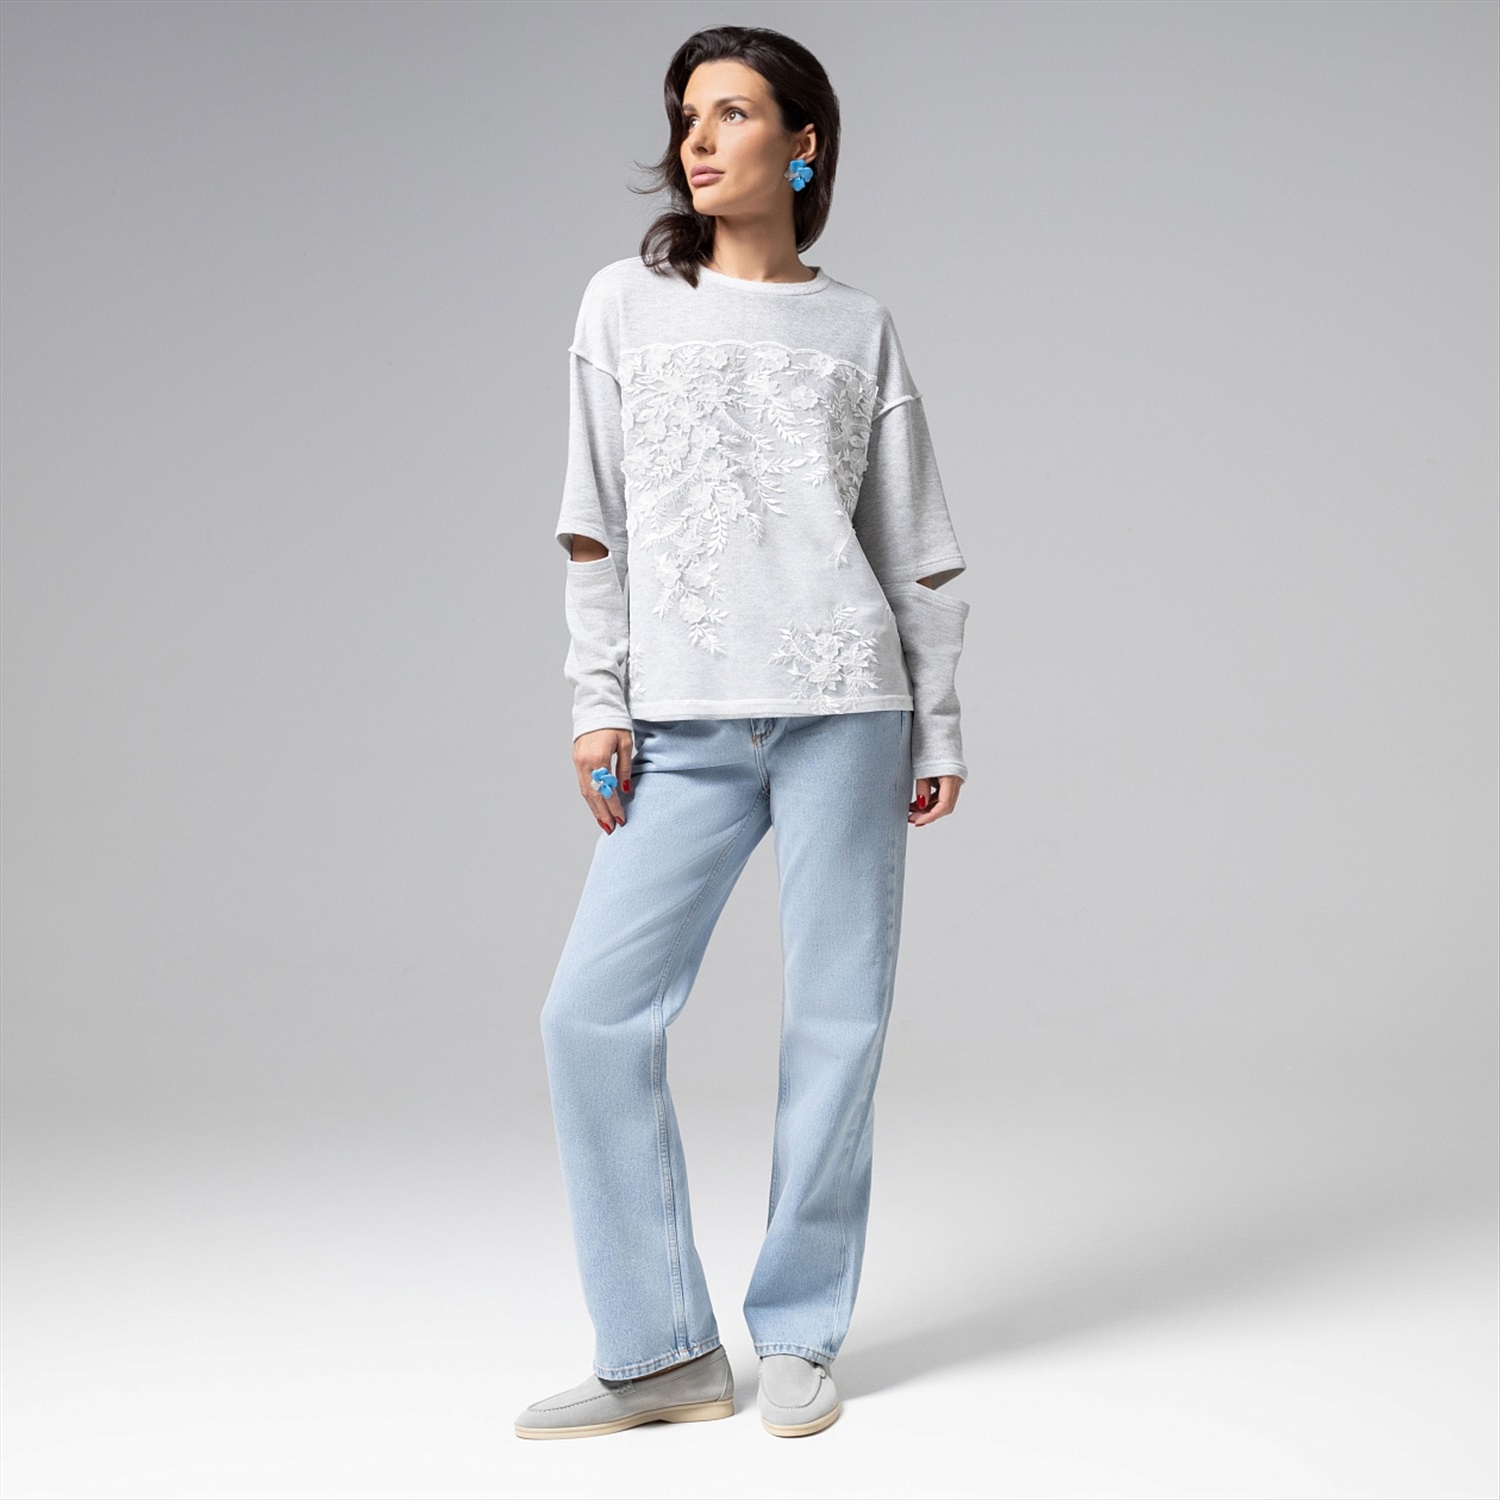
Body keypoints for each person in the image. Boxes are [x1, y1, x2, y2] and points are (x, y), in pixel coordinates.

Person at [515, 24, 970, 1442]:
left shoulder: (859, 327)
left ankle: (801, 1329)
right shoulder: (623, 306)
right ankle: (659, 1348)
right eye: (687, 118)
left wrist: (939, 727)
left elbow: (913, 551)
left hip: (849, 706)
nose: (699, 142)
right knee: (591, 1015)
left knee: (837, 1020)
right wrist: (597, 702)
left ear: (803, 142)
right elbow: (593, 529)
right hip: (685, 717)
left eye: (731, 113)